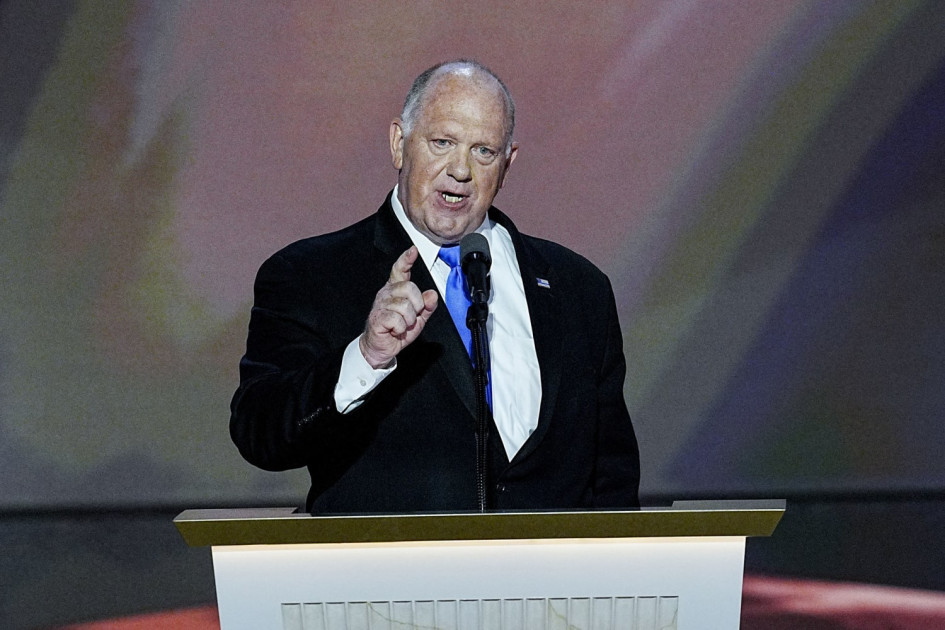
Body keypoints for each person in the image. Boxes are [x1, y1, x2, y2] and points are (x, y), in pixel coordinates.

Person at [230, 60, 640, 514]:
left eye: (483, 151)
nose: (460, 170)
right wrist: (364, 357)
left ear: (508, 163)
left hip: (552, 580)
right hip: (389, 578)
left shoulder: (578, 289)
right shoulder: (308, 275)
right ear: (398, 144)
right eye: (442, 142)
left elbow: (612, 476)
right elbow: (260, 434)